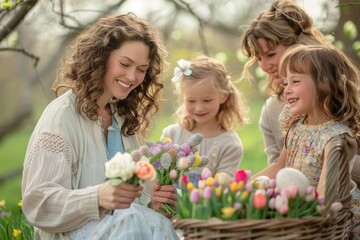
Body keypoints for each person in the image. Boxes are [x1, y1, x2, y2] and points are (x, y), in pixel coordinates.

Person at [21, 13, 179, 240]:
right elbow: (38, 204)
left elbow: (131, 209)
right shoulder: (60, 118)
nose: (132, 76)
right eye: (125, 64)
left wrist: (154, 203)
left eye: (142, 69)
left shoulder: (123, 120)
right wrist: (97, 197)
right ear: (101, 57)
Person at [239, 0, 360, 188]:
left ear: (298, 46)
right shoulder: (275, 113)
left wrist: (328, 160)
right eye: (258, 58)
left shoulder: (342, 101)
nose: (263, 66)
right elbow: (280, 168)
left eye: (270, 54)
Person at [254, 44, 360, 239]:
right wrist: (241, 188)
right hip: (300, 212)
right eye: (285, 83)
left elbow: (324, 199)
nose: (286, 90)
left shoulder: (336, 137)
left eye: (295, 81)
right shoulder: (297, 126)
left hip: (329, 223)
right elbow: (279, 167)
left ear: (324, 84)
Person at [161, 55, 248, 184]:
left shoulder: (230, 144)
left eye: (207, 100)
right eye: (191, 100)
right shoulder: (171, 134)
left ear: (223, 96)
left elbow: (222, 189)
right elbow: (158, 177)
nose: (199, 108)